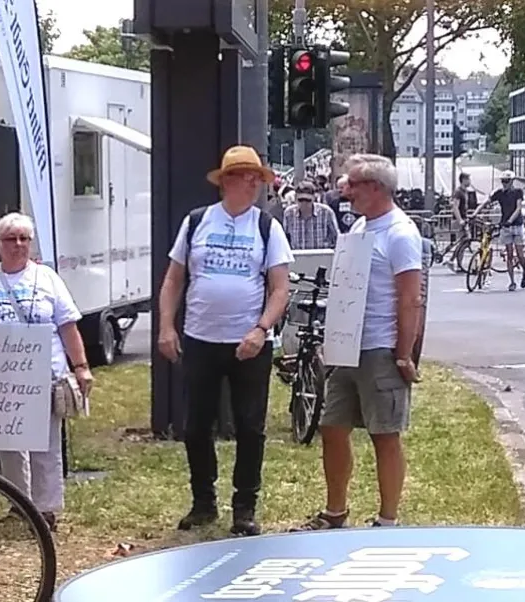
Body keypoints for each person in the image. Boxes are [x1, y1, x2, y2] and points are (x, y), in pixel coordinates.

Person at [157, 145, 293, 537]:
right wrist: (166, 327)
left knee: (250, 426)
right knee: (196, 425)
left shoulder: (266, 227)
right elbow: (174, 279)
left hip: (249, 343)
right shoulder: (197, 222)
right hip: (201, 338)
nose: (254, 185)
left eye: (257, 179)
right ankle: (203, 502)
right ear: (227, 181)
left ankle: (244, 507)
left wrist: (261, 329)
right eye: (247, 177)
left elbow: (280, 288)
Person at [294, 154, 422, 530]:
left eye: (352, 185)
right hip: (347, 347)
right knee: (332, 428)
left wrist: (403, 354)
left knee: (385, 434)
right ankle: (335, 512)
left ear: (376, 188)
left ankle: (387, 520)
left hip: (380, 348)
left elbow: (410, 298)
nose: (344, 191)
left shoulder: (400, 233)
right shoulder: (361, 227)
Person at [0, 212, 93, 532]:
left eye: (24, 239)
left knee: (46, 445)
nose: (18, 244)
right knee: (9, 445)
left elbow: (68, 326)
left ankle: (46, 510)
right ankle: (19, 503)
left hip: (43, 375)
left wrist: (81, 367)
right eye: (11, 239)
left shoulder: (47, 279)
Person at [474, 170, 525, 291]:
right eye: (503, 181)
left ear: (512, 181)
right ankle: (512, 281)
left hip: (517, 225)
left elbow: (518, 208)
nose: (504, 183)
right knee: (509, 254)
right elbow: (486, 202)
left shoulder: (518, 192)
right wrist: (475, 213)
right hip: (505, 227)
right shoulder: (499, 193)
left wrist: (510, 220)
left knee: (520, 254)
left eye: (507, 181)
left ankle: (524, 271)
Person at [283, 181, 339, 250]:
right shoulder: (288, 214)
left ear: (313, 198)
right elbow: (285, 238)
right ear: (295, 199)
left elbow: (336, 237)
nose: (304, 203)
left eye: (307, 200)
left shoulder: (326, 212)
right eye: (301, 200)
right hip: (297, 255)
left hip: (322, 255)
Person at [451, 172, 479, 241]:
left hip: (464, 219)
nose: (470, 181)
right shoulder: (458, 192)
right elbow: (455, 207)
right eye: (468, 179)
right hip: (458, 220)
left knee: (467, 239)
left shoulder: (465, 191)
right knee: (461, 240)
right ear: (463, 180)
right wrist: (460, 220)